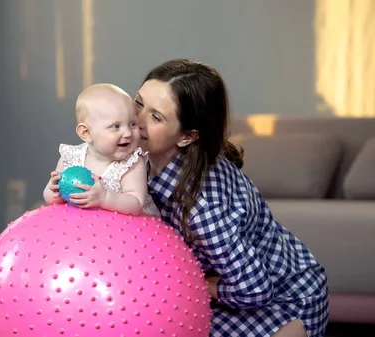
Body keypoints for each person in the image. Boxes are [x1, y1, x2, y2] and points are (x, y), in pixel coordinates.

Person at [134, 59, 329, 337]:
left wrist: (189, 278)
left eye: (156, 117)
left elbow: (254, 290)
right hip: (231, 287)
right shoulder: (145, 156)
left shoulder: (202, 208)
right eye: (139, 103)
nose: (137, 120)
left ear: (187, 137)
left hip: (284, 299)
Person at [43, 83, 160, 217]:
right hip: (88, 225)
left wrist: (105, 198)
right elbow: (50, 198)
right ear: (86, 133)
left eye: (132, 124)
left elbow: (136, 203)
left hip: (128, 229)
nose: (127, 133)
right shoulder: (71, 157)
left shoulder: (131, 163)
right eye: (116, 126)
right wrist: (55, 192)